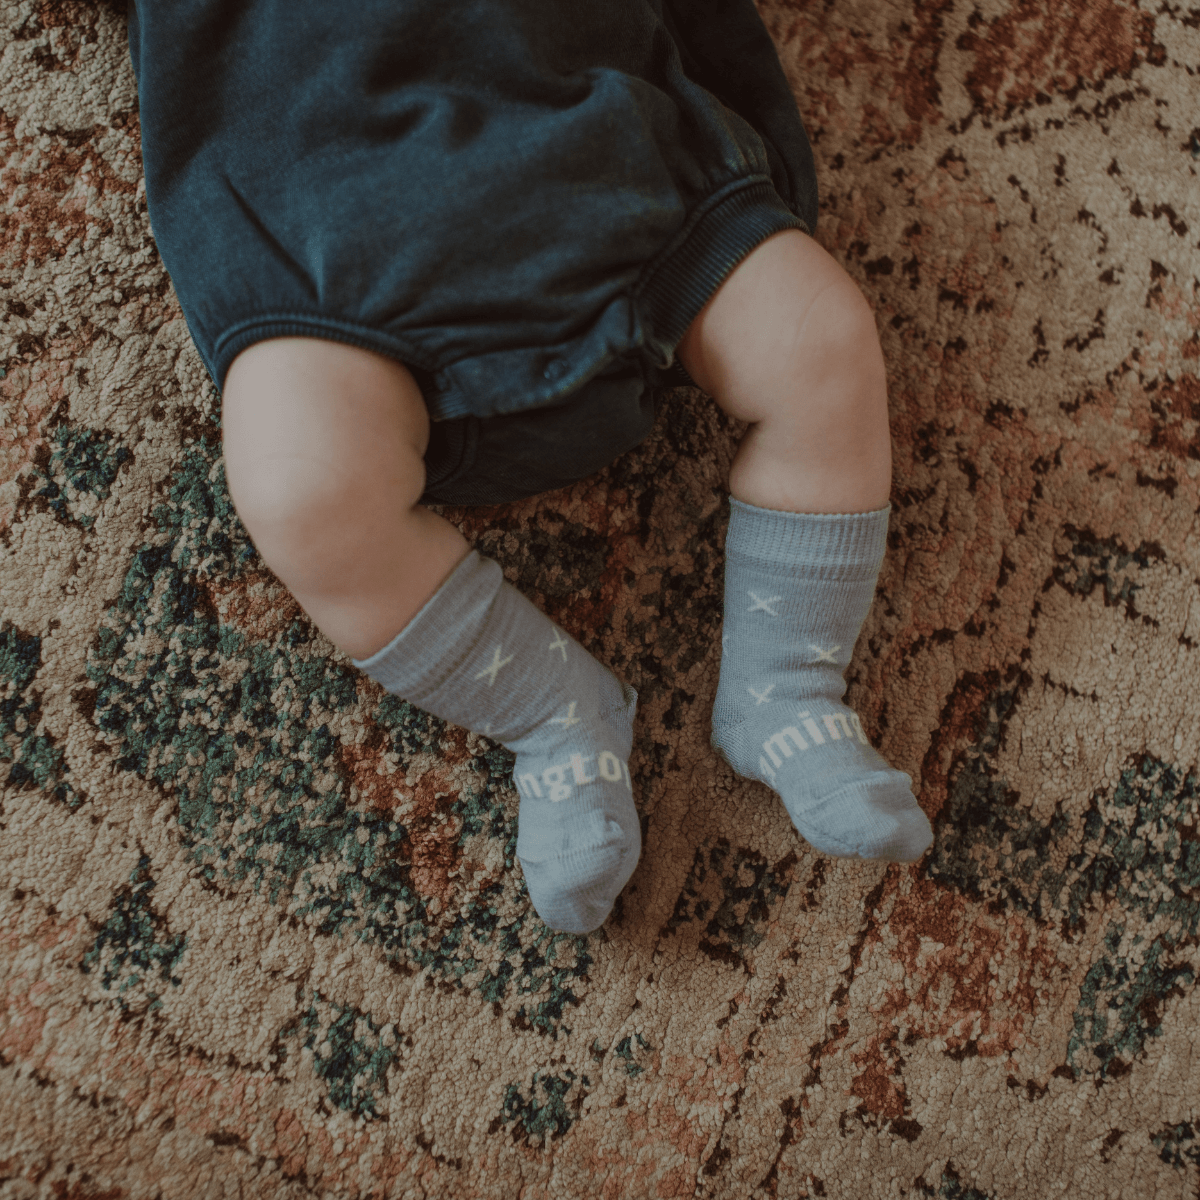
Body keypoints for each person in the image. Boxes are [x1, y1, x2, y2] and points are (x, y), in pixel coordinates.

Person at [127, 0, 934, 935]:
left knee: (823, 342)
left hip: (607, 155)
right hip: (324, 240)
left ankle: (784, 683)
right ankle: (551, 710)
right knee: (302, 491)